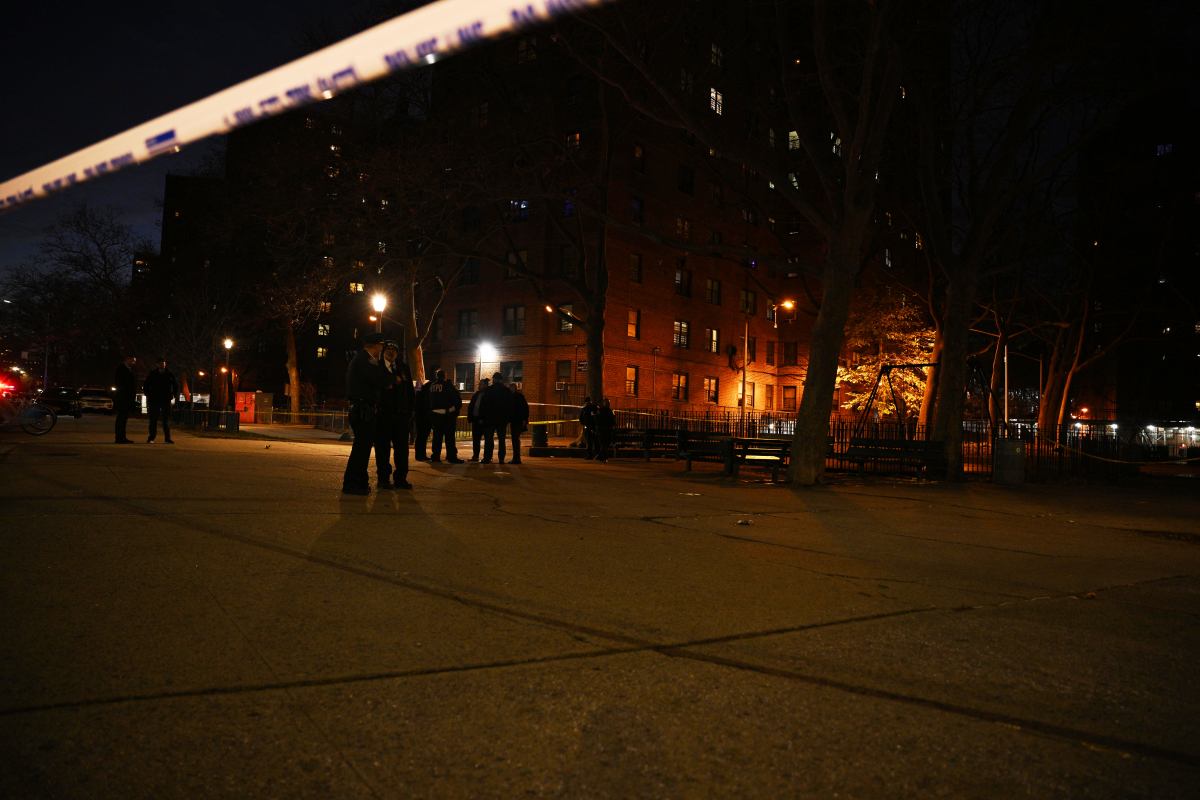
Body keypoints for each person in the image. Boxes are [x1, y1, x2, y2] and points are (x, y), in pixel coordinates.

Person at [342, 332, 394, 495]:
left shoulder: (363, 359)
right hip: (363, 409)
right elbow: (384, 381)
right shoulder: (365, 361)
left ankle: (359, 482)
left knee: (362, 448)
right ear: (376, 345)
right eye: (381, 346)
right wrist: (385, 366)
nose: (382, 349)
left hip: (362, 409)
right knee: (361, 449)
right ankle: (352, 483)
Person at [374, 341, 415, 489]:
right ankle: (383, 478)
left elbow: (410, 391)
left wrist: (410, 411)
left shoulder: (403, 368)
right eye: (388, 349)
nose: (391, 352)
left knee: (402, 449)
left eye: (394, 350)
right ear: (383, 352)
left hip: (401, 416)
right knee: (382, 448)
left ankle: (401, 478)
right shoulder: (377, 367)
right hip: (383, 416)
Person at [427, 368, 463, 463]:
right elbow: (457, 400)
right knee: (449, 438)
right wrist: (454, 409)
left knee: (437, 437)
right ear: (444, 376)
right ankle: (451, 457)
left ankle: (435, 456)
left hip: (435, 415)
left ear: (436, 376)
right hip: (447, 415)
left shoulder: (432, 386)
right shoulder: (448, 385)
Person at [479, 372, 512, 464]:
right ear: (501, 380)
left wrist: (482, 417)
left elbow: (483, 405)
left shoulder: (489, 390)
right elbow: (510, 406)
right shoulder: (506, 391)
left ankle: (487, 458)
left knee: (489, 439)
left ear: (494, 379)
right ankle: (501, 458)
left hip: (489, 419)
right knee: (501, 440)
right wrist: (508, 418)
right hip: (502, 420)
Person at [143, 357, 178, 444]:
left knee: (165, 420)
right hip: (154, 399)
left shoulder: (169, 374)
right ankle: (151, 437)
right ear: (157, 364)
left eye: (163, 363)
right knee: (153, 420)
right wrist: (148, 394)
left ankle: (167, 438)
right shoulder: (153, 374)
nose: (162, 365)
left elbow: (175, 384)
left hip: (165, 399)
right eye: (160, 363)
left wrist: (173, 394)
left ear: (165, 364)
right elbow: (146, 384)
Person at [113, 354, 137, 443]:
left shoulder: (128, 369)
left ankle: (122, 437)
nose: (134, 362)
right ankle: (119, 437)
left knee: (123, 418)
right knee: (121, 418)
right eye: (133, 360)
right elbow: (120, 383)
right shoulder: (121, 369)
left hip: (126, 397)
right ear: (128, 359)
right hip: (123, 397)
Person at [466, 377, 489, 461]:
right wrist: (470, 417)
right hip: (476, 421)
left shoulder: (488, 395)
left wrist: (483, 418)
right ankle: (475, 456)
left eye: (481, 384)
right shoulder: (476, 394)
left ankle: (487, 457)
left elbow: (488, 408)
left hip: (484, 421)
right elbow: (471, 406)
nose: (479, 385)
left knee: (487, 440)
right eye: (479, 384)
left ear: (485, 385)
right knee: (476, 440)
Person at [509, 385, 530, 464]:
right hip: (516, 420)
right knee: (515, 439)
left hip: (517, 421)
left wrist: (524, 419)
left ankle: (516, 458)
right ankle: (516, 458)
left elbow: (524, 408)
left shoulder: (518, 397)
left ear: (514, 388)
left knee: (515, 439)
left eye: (511, 388)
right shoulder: (517, 397)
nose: (510, 389)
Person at [413, 376, 432, 460]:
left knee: (420, 437)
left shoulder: (419, 394)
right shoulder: (425, 396)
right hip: (424, 418)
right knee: (422, 438)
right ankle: (421, 455)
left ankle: (420, 455)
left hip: (419, 418)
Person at [596, 397, 616, 462]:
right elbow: (613, 420)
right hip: (606, 429)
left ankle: (602, 456)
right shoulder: (609, 411)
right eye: (607, 403)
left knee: (604, 444)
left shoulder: (602, 410)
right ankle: (604, 457)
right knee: (605, 444)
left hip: (604, 429)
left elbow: (598, 420)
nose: (608, 404)